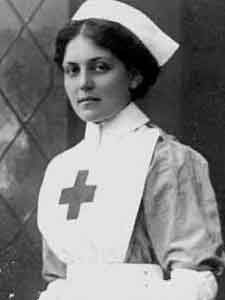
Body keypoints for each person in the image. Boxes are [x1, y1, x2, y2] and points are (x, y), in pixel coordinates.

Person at [37, 0, 225, 299]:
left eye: (100, 67)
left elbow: (195, 282)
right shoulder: (61, 169)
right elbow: (58, 278)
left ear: (134, 75)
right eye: (72, 70)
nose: (83, 83)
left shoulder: (166, 160)